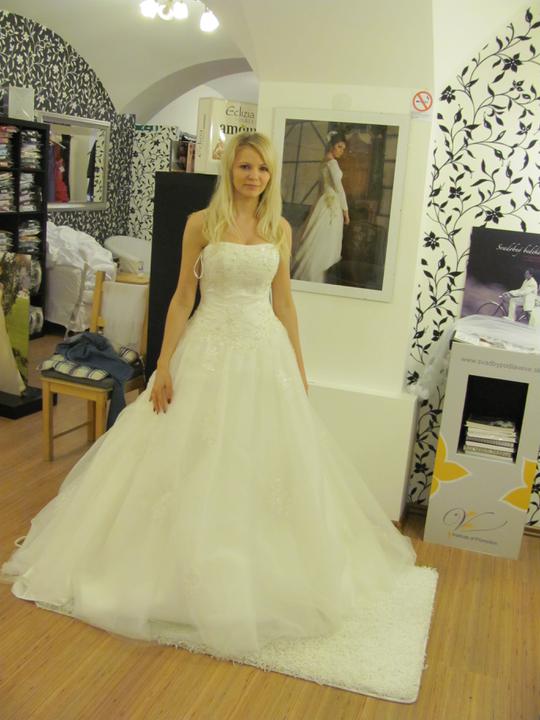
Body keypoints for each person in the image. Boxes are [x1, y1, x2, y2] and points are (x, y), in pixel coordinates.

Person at [1, 132, 415, 659]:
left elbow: (285, 304)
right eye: (245, 166)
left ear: (270, 175)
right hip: (207, 349)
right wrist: (163, 365)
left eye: (262, 169)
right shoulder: (202, 223)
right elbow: (181, 299)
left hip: (263, 353)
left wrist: (298, 366)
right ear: (230, 170)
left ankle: (256, 567)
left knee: (262, 460)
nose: (254, 176)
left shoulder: (280, 228)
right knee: (186, 454)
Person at [291, 130, 350, 283]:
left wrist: (314, 207)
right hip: (331, 206)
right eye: (339, 147)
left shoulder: (324, 161)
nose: (341, 151)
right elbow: (339, 189)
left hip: (323, 204)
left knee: (321, 239)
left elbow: (320, 189)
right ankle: (315, 275)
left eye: (343, 148)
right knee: (324, 240)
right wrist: (345, 211)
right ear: (331, 145)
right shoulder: (332, 163)